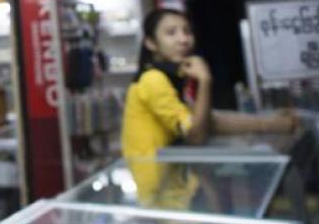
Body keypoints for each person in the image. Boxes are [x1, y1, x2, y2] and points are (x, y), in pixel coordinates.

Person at [122, 8, 295, 158]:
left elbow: (208, 119)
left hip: (172, 180)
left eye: (187, 31)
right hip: (157, 185)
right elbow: (197, 135)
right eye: (171, 33)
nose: (183, 40)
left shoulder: (174, 75)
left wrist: (269, 122)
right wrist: (205, 80)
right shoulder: (152, 79)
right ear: (151, 43)